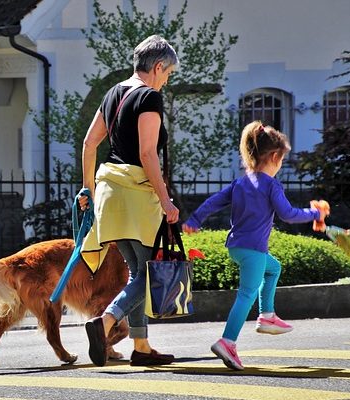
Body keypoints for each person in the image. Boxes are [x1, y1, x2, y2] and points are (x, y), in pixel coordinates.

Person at [182, 121, 328, 371]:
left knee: (273, 268)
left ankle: (267, 315)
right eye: (281, 159)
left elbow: (214, 201)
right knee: (246, 295)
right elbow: (288, 214)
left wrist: (195, 219)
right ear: (274, 156)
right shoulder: (271, 185)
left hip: (236, 248)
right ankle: (227, 341)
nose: (280, 164)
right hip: (253, 251)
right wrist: (315, 214)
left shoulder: (241, 182)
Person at [78, 34, 180, 367]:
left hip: (109, 192)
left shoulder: (113, 93)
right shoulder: (149, 97)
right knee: (149, 274)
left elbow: (89, 144)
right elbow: (147, 153)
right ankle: (105, 323)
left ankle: (142, 347)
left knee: (138, 272)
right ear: (159, 66)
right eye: (168, 74)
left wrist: (87, 192)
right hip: (137, 194)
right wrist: (166, 202)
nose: (166, 81)